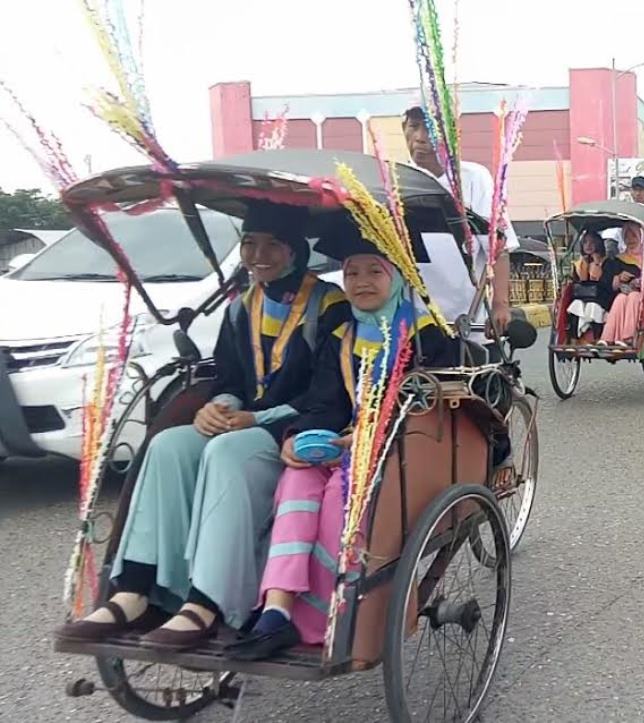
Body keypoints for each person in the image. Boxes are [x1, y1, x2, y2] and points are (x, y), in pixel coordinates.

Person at [55, 201, 350, 649]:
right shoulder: (241, 307)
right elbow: (230, 379)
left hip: (299, 427)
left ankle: (208, 602)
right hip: (244, 422)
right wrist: (219, 406)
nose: (259, 256)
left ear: (296, 251)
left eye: (273, 245)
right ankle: (136, 590)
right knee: (169, 446)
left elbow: (329, 395)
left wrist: (255, 418)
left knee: (226, 451)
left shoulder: (330, 306)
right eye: (250, 244)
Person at [226, 237, 456, 660]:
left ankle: (320, 618)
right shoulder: (342, 334)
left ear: (397, 278)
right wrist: (299, 436)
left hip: (400, 447)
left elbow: (431, 403)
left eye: (374, 271)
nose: (361, 281)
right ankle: (276, 609)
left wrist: (374, 435)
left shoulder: (427, 334)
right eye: (351, 272)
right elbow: (324, 401)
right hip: (344, 442)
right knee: (296, 479)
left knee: (338, 494)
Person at [402, 106, 518, 341]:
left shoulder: (475, 178)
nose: (420, 137)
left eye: (431, 129)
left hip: (469, 322)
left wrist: (500, 304)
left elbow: (499, 248)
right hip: (414, 325)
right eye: (414, 127)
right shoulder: (395, 180)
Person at [599, 221, 644, 345]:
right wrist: (619, 277)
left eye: (633, 236)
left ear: (640, 236)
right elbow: (612, 282)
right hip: (625, 291)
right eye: (627, 237)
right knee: (620, 298)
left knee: (633, 297)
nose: (630, 240)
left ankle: (628, 336)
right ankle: (607, 338)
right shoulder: (619, 259)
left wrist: (640, 281)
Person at [567, 230, 615, 341]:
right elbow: (577, 282)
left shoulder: (607, 262)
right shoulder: (580, 263)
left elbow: (606, 283)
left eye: (592, 242)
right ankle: (574, 338)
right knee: (575, 305)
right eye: (585, 242)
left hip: (602, 296)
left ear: (598, 244)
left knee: (593, 306)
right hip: (583, 296)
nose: (588, 245)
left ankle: (597, 338)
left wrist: (597, 264)